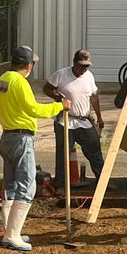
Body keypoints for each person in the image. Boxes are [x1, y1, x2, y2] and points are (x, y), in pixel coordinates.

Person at [0, 46, 71, 252]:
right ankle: (12, 236)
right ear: (29, 65)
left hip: (7, 136)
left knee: (10, 186)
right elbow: (33, 109)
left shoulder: (3, 78)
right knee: (26, 186)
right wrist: (59, 106)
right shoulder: (20, 82)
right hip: (21, 138)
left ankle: (9, 232)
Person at [43, 49, 105, 194]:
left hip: (84, 120)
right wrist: (58, 97)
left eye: (86, 66)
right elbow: (47, 88)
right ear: (74, 63)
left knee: (94, 149)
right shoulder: (61, 74)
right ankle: (60, 185)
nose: (84, 69)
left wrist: (99, 117)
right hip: (65, 121)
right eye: (81, 65)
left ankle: (102, 180)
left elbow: (94, 97)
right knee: (63, 153)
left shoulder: (89, 76)